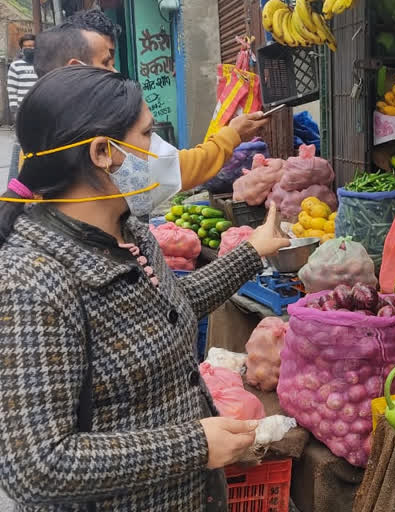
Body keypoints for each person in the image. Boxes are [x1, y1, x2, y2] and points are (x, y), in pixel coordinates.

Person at [0, 66, 289, 511]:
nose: (162, 150)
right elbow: (37, 467)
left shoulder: (130, 231)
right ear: (102, 152)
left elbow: (171, 307)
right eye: (147, 133)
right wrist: (193, 445)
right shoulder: (33, 281)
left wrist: (252, 252)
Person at [33, 9, 268, 191]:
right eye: (106, 63)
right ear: (101, 153)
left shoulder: (39, 132)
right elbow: (175, 168)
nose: (114, 73)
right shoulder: (97, 132)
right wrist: (232, 134)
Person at [6, 34, 37, 185]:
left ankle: (34, 183)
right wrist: (14, 111)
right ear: (21, 49)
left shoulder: (41, 64)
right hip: (22, 112)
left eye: (33, 46)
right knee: (20, 146)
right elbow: (11, 89)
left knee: (38, 146)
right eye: (27, 47)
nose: (30, 49)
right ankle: (14, 185)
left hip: (39, 111)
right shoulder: (15, 66)